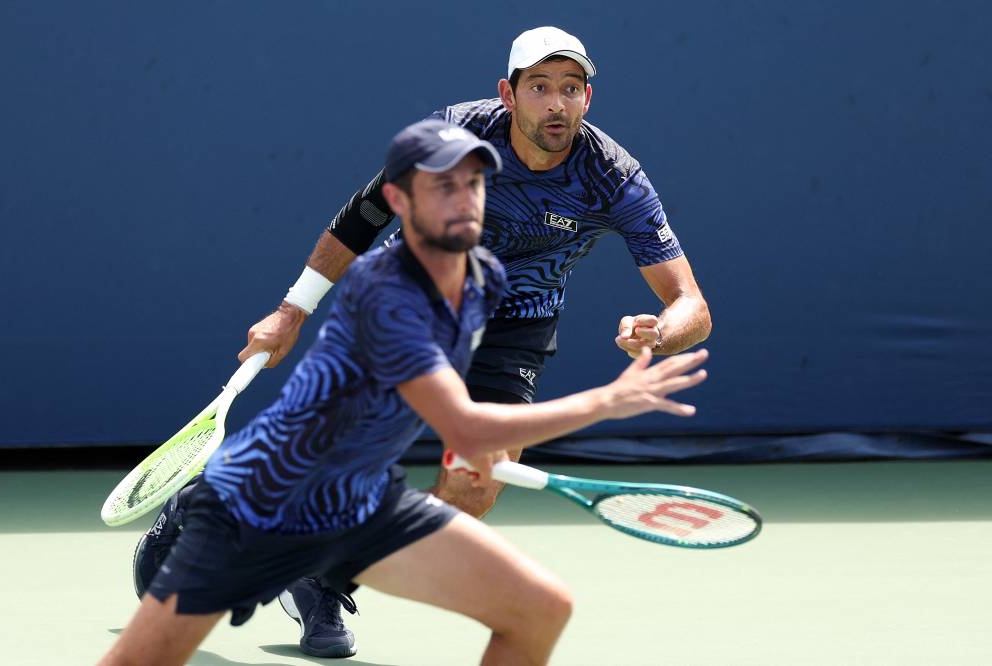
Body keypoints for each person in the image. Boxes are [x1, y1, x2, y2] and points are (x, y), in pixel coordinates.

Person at [102, 119, 710, 666]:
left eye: (475, 184)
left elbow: (465, 427)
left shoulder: (484, 278)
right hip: (269, 499)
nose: (467, 200)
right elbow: (467, 428)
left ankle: (320, 581)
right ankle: (202, 503)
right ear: (399, 201)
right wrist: (606, 402)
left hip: (364, 506)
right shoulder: (386, 293)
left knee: (540, 609)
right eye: (444, 186)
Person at [242, 26, 713, 656]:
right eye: (539, 87)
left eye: (571, 89)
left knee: (475, 488)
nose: (556, 103)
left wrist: (662, 331)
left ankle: (322, 577)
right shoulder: (455, 137)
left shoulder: (613, 177)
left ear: (587, 100)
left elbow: (692, 305)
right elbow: (364, 216)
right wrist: (291, 312)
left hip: (518, 322)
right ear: (508, 94)